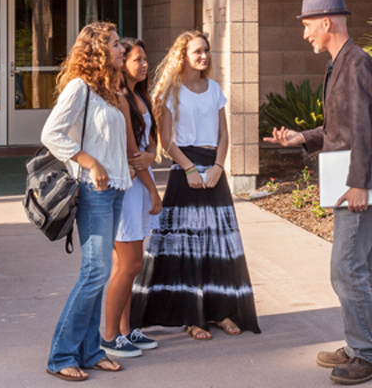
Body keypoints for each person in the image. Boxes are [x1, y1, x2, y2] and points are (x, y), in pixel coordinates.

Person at [264, 0, 372, 385]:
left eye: (306, 26)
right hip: (348, 181)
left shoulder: (357, 64)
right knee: (358, 268)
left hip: (354, 186)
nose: (305, 35)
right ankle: (360, 346)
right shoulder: (341, 64)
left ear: (327, 22)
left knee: (346, 269)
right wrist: (301, 138)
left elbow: (366, 131)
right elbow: (341, 129)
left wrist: (358, 185)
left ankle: (367, 354)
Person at [130, 30, 261, 340]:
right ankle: (193, 316)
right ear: (183, 56)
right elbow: (165, 140)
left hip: (214, 173)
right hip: (184, 171)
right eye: (197, 51)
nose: (203, 56)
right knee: (188, 248)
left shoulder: (215, 89)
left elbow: (224, 135)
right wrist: (189, 169)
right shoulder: (171, 91)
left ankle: (222, 312)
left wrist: (218, 167)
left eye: (206, 51)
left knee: (218, 245)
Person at [41, 21, 132, 382]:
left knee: (101, 272)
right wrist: (89, 161)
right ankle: (60, 354)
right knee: (94, 273)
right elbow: (51, 133)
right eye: (114, 44)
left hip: (115, 190)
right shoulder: (79, 88)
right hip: (94, 191)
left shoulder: (108, 90)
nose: (122, 49)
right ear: (97, 51)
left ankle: (91, 351)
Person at [101, 38, 163, 358]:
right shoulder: (119, 98)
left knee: (127, 266)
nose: (143, 64)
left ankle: (125, 330)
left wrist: (152, 156)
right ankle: (109, 335)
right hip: (127, 188)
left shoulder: (140, 96)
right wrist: (153, 189)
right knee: (129, 264)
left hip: (140, 183)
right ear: (122, 63)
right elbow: (131, 154)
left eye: (144, 58)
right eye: (136, 59)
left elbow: (148, 146)